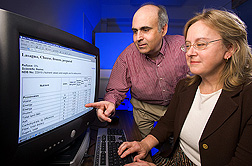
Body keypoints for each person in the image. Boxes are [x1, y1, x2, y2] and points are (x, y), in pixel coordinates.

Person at [118, 9, 252, 166]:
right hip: (174, 158)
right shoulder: (185, 86)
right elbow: (168, 122)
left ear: (230, 49)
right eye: (188, 46)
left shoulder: (247, 97)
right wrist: (144, 144)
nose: (190, 53)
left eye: (200, 44)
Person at [85, 4, 189, 137]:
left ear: (163, 29)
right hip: (144, 109)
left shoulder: (183, 47)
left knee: (177, 144)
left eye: (145, 30)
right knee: (143, 148)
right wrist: (110, 103)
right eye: (135, 31)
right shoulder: (126, 57)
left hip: (179, 105)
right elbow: (115, 90)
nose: (138, 38)